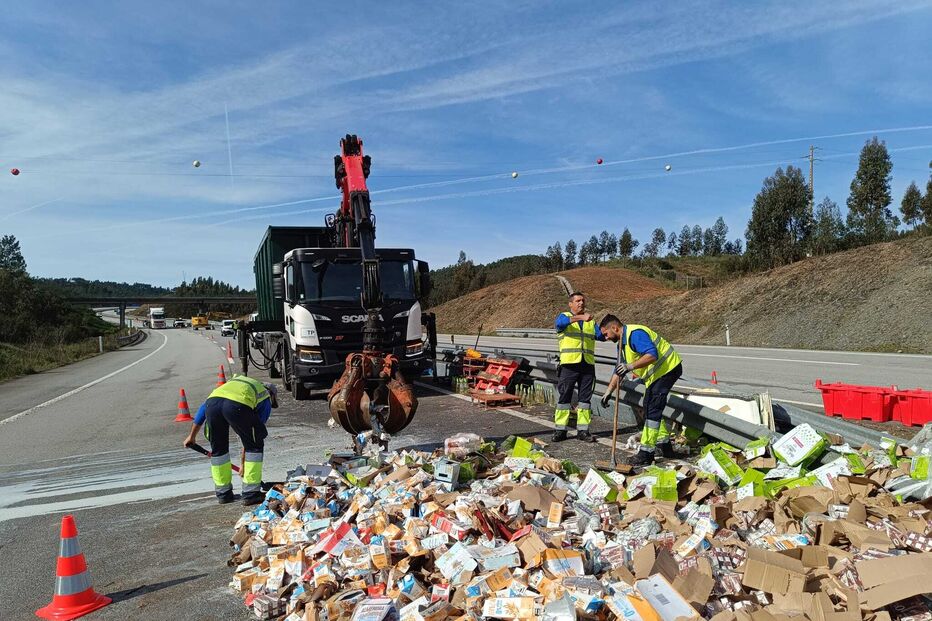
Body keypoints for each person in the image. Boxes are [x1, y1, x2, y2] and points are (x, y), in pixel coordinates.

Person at [598, 314, 683, 465]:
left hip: (668, 369)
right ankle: (664, 445)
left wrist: (630, 366)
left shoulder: (635, 335)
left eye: (606, 334)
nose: (605, 338)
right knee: (649, 406)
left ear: (614, 328)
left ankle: (647, 452)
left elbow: (652, 355)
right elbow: (619, 370)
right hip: (656, 375)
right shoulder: (621, 345)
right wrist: (608, 391)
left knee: (652, 408)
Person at [183, 375, 279, 505]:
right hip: (236, 406)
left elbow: (203, 409)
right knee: (254, 447)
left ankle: (223, 494)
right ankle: (251, 493)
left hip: (213, 405)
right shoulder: (264, 397)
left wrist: (192, 436)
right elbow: (251, 439)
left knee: (218, 450)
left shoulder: (233, 385)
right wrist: (244, 465)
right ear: (272, 395)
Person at [553, 292, 606, 443]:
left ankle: (583, 430)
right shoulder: (563, 316)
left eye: (583, 300)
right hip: (569, 364)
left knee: (585, 400)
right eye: (577, 301)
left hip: (587, 364)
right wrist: (580, 317)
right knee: (564, 398)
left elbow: (600, 336)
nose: (581, 303)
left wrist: (608, 329)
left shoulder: (590, 322)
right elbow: (560, 325)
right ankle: (560, 430)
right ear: (570, 304)